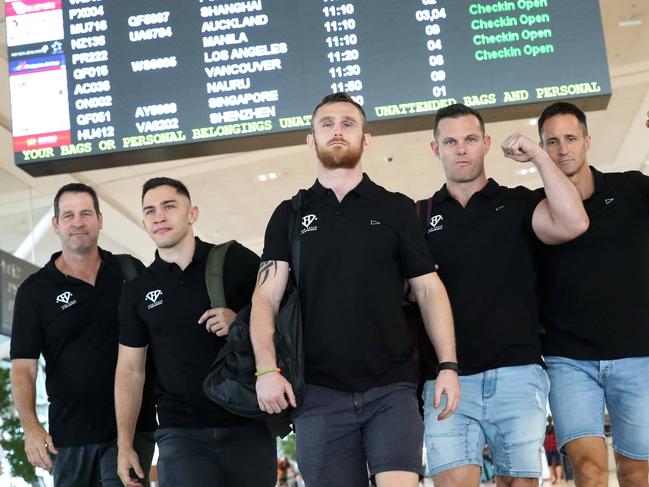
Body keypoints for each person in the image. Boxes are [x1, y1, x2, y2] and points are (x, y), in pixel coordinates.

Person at [250, 92, 460, 487]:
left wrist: (448, 365)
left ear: (366, 139)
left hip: (392, 388)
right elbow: (265, 297)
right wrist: (266, 369)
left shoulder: (396, 209)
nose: (337, 131)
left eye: (348, 123)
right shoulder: (289, 214)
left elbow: (430, 291)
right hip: (317, 394)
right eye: (326, 124)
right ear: (311, 140)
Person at [419, 104, 588, 487]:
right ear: (436, 149)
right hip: (448, 379)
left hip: (517, 374)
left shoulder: (518, 203)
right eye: (450, 141)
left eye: (470, 139)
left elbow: (574, 222)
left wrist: (540, 158)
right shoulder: (419, 217)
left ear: (486, 144)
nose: (461, 149)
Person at [115, 177, 276, 487]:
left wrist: (240, 322)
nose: (158, 216)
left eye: (169, 206)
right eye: (149, 211)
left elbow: (281, 317)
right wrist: (125, 446)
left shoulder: (235, 261)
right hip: (181, 434)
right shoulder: (138, 290)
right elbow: (130, 371)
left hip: (247, 426)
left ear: (192, 214)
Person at [10, 183, 156, 487]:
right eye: (68, 215)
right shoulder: (35, 291)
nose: (78, 222)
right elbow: (24, 365)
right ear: (55, 225)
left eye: (86, 213)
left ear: (100, 220)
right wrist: (31, 427)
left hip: (130, 432)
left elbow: (162, 332)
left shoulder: (130, 272)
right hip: (70, 437)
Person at [536, 102, 649, 487]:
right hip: (569, 360)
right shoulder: (536, 208)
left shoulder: (632, 187)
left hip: (636, 355)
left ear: (586, 141)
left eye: (570, 138)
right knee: (588, 469)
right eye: (551, 142)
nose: (562, 149)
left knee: (637, 471)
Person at [544, 417, 563, 484]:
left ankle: (553, 478)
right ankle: (558, 479)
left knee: (550, 464)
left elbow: (543, 438)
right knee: (558, 463)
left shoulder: (545, 428)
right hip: (556, 447)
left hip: (548, 448)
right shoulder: (555, 427)